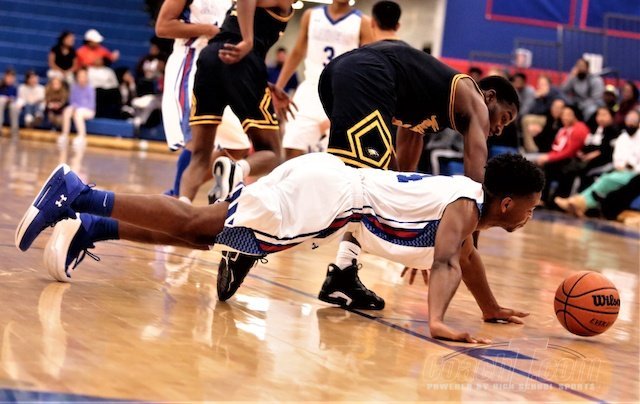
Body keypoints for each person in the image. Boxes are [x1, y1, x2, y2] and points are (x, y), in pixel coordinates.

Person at [15, 153, 542, 343]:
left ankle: (93, 225)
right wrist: (437, 322)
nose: (531, 215)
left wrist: (490, 308)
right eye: (532, 207)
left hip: (327, 194)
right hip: (328, 199)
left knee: (203, 235)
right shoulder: (464, 207)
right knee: (200, 224)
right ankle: (78, 192)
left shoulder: (469, 211)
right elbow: (448, 259)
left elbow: (465, 260)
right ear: (507, 203)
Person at [285, 1, 518, 309]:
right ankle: (258, 231)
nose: (499, 128)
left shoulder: (429, 100)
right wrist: (465, 243)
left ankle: (343, 272)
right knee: (342, 188)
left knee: (367, 187)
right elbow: (475, 182)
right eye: (505, 118)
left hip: (341, 75)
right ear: (489, 97)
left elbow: (396, 182)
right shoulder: (474, 100)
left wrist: (418, 239)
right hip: (365, 75)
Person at [180, 0, 295, 205]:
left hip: (211, 57)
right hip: (241, 59)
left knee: (200, 156)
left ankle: (182, 204)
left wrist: (265, 83)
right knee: (272, 154)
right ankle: (236, 170)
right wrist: (248, 41)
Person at [155, 0, 252, 200]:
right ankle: (179, 200)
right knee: (195, 139)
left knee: (238, 145)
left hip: (220, 69)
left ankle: (182, 189)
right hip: (190, 65)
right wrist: (208, 30)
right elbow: (163, 27)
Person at [274, 0, 373, 160]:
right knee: (292, 145)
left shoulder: (363, 22)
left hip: (342, 94)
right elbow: (297, 52)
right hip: (310, 88)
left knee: (335, 156)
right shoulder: (311, 15)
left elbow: (368, 66)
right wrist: (278, 88)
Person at [555, 110, 640, 217]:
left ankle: (579, 202)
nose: (631, 122)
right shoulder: (622, 137)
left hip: (635, 173)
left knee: (606, 179)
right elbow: (617, 158)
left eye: (634, 120)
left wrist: (632, 167)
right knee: (597, 176)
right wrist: (622, 165)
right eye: (628, 119)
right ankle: (580, 203)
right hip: (620, 170)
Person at [535, 105, 589, 205]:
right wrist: (547, 157)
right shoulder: (563, 129)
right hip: (564, 159)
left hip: (576, 161)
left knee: (550, 166)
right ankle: (543, 198)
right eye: (563, 114)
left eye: (568, 114)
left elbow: (570, 151)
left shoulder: (580, 129)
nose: (565, 117)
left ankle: (554, 199)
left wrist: (549, 157)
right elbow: (556, 148)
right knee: (542, 164)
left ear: (575, 115)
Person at [59, 68, 95, 148]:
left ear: (87, 77)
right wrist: (74, 107)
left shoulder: (90, 88)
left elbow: (91, 104)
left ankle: (82, 136)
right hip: (76, 108)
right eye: (80, 76)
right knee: (67, 111)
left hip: (88, 110)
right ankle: (64, 134)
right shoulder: (74, 87)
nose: (81, 78)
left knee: (78, 113)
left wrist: (78, 108)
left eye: (83, 76)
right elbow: (72, 101)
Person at [561, 58, 604, 122]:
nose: (580, 68)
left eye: (582, 66)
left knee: (590, 110)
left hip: (591, 104)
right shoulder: (574, 78)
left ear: (587, 68)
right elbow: (563, 91)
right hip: (577, 103)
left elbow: (596, 98)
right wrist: (570, 77)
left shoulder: (595, 80)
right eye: (578, 66)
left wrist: (582, 105)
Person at [0, 69, 19, 136]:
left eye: (12, 77)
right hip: (1, 103)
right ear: (5, 77)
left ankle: (14, 130)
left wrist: (11, 99)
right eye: (8, 77)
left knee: (14, 106)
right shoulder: (1, 85)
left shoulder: (15, 87)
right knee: (1, 100)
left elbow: (16, 97)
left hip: (11, 104)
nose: (10, 79)